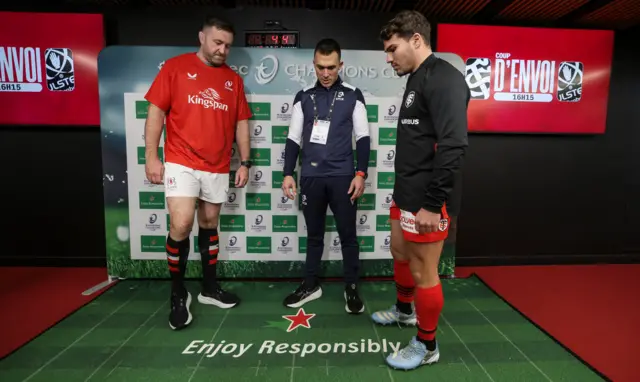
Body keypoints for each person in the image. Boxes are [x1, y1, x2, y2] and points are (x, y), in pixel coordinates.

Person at [371, 10, 470, 369]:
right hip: (406, 193)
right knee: (399, 251)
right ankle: (404, 311)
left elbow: (454, 145)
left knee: (424, 271)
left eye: (392, 48)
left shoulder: (445, 79)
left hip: (428, 200)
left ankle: (427, 345)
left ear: (416, 39)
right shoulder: (417, 78)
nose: (388, 57)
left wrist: (432, 203)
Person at [143, 16, 252, 331]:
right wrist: (152, 157)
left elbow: (241, 122)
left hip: (217, 165)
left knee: (209, 224)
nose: (222, 50)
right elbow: (155, 112)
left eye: (228, 46)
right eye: (217, 42)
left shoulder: (233, 80)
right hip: (181, 161)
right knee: (180, 223)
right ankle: (178, 293)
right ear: (202, 37)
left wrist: (245, 161)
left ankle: (209, 287)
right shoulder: (175, 68)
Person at [281, 38, 371, 314]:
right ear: (314, 65)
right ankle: (310, 284)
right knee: (315, 236)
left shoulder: (354, 94)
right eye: (321, 67)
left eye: (331, 67)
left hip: (344, 177)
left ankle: (351, 287)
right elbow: (293, 139)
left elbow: (363, 137)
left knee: (348, 236)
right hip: (311, 178)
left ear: (340, 64)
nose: (326, 73)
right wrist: (287, 173)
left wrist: (361, 173)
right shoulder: (303, 96)